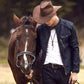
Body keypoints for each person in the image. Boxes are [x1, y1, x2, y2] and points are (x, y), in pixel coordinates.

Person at [26, 1, 80, 84]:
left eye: (48, 19)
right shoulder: (41, 29)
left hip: (65, 71)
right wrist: (31, 68)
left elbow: (75, 49)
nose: (46, 21)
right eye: (44, 19)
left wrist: (75, 72)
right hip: (47, 71)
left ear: (54, 14)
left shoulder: (69, 27)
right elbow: (36, 50)